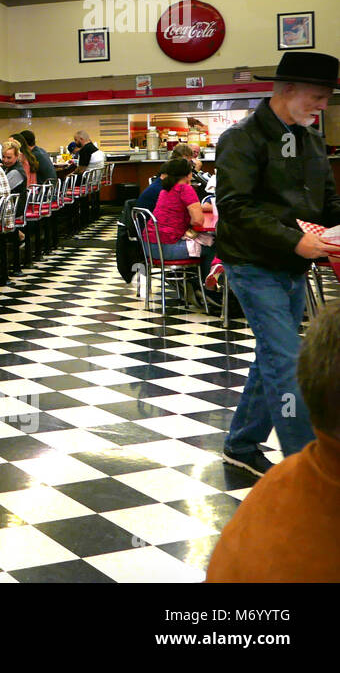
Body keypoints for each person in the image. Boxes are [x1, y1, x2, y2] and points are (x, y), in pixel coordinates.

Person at [216, 51, 340, 475]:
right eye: (318, 96)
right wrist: (294, 241)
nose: (323, 106)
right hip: (252, 263)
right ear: (287, 90)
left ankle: (242, 442)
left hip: (291, 265)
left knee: (274, 354)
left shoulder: (311, 139)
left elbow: (327, 202)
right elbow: (235, 207)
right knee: (289, 361)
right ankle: (306, 472)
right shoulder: (242, 138)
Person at [205, 301, 340, 581]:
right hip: (259, 266)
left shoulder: (271, 490)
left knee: (272, 358)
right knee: (278, 358)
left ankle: (242, 442)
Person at [140, 158, 213, 279]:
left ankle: (189, 287)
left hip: (149, 246)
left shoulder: (166, 189)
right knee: (213, 246)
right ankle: (208, 290)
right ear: (188, 174)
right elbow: (198, 221)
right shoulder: (185, 189)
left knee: (203, 242)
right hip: (168, 249)